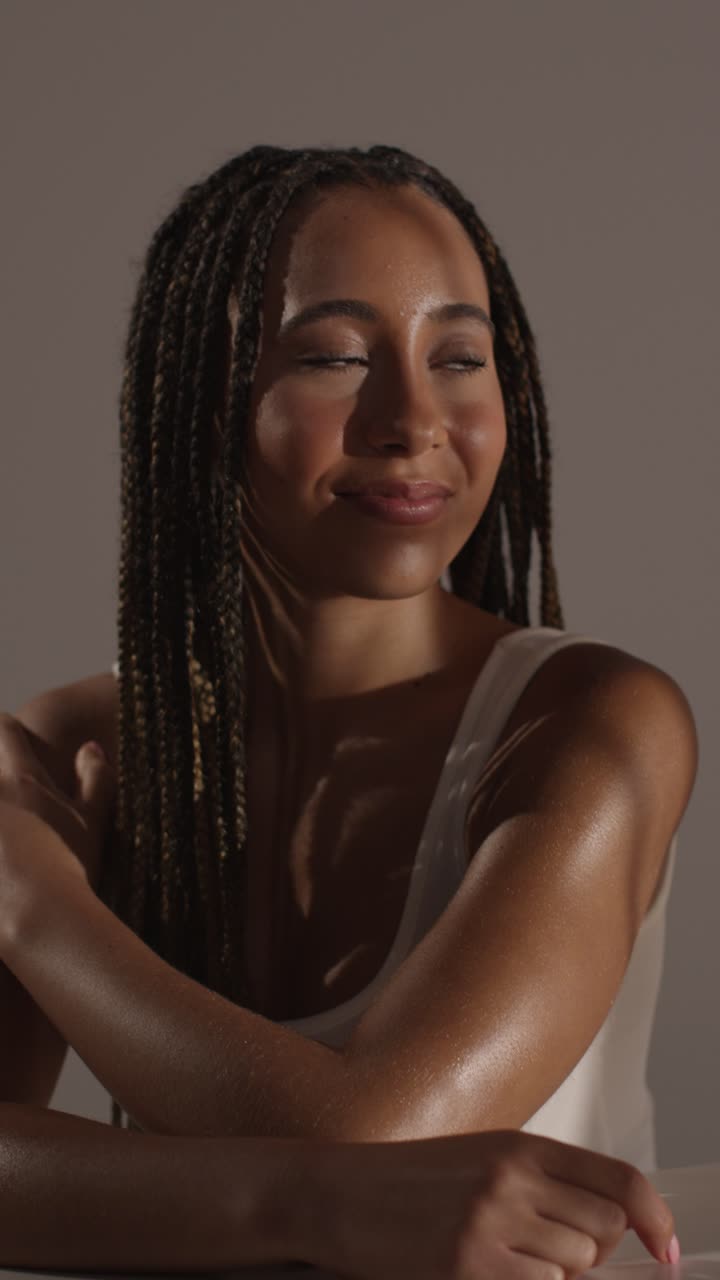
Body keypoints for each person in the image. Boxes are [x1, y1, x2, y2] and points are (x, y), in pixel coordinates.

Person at [0, 143, 694, 1273]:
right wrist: (313, 1204)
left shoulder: (591, 725)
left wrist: (31, 904)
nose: (412, 418)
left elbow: (384, 1143)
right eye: (332, 355)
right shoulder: (79, 754)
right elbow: (360, 1192)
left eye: (460, 357)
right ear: (201, 397)